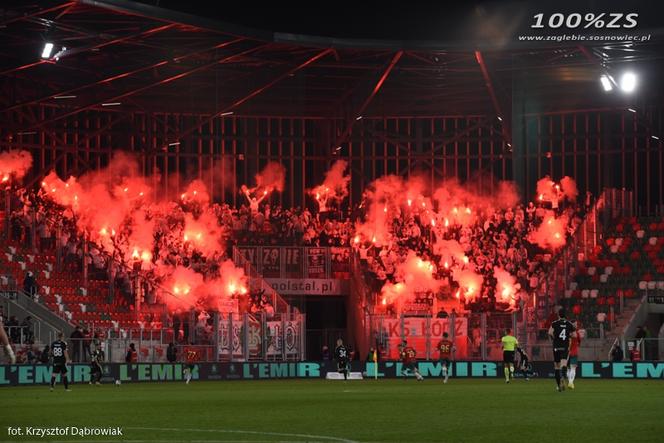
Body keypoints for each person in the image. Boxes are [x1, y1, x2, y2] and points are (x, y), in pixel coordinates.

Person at [548, 308, 576, 392]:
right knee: (563, 364)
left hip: (556, 347)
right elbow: (574, 335)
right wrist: (568, 335)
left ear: (558, 315)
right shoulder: (569, 324)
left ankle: (558, 385)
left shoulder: (554, 323)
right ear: (565, 315)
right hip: (565, 347)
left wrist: (555, 338)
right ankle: (563, 377)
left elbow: (550, 332)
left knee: (556, 366)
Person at [567, 323, 581, 389]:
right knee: (573, 368)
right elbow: (579, 342)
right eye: (575, 324)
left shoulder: (566, 332)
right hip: (573, 352)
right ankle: (570, 382)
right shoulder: (576, 333)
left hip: (566, 353)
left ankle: (569, 382)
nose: (576, 325)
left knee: (568, 368)